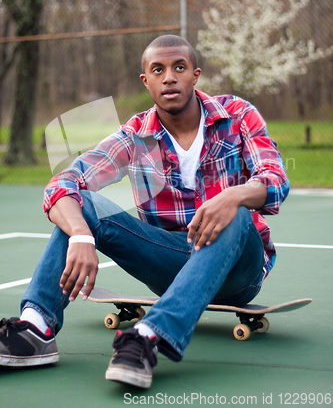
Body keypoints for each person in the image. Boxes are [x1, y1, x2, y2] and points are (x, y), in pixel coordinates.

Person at [0, 35, 289, 388]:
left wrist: (234, 197)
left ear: (195, 75)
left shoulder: (238, 115)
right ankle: (35, 329)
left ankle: (147, 338)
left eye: (179, 68)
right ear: (146, 81)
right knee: (82, 203)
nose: (169, 77)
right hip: (170, 262)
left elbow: (275, 180)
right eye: (158, 70)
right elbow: (64, 183)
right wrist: (80, 233)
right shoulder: (134, 137)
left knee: (236, 211)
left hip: (238, 271)